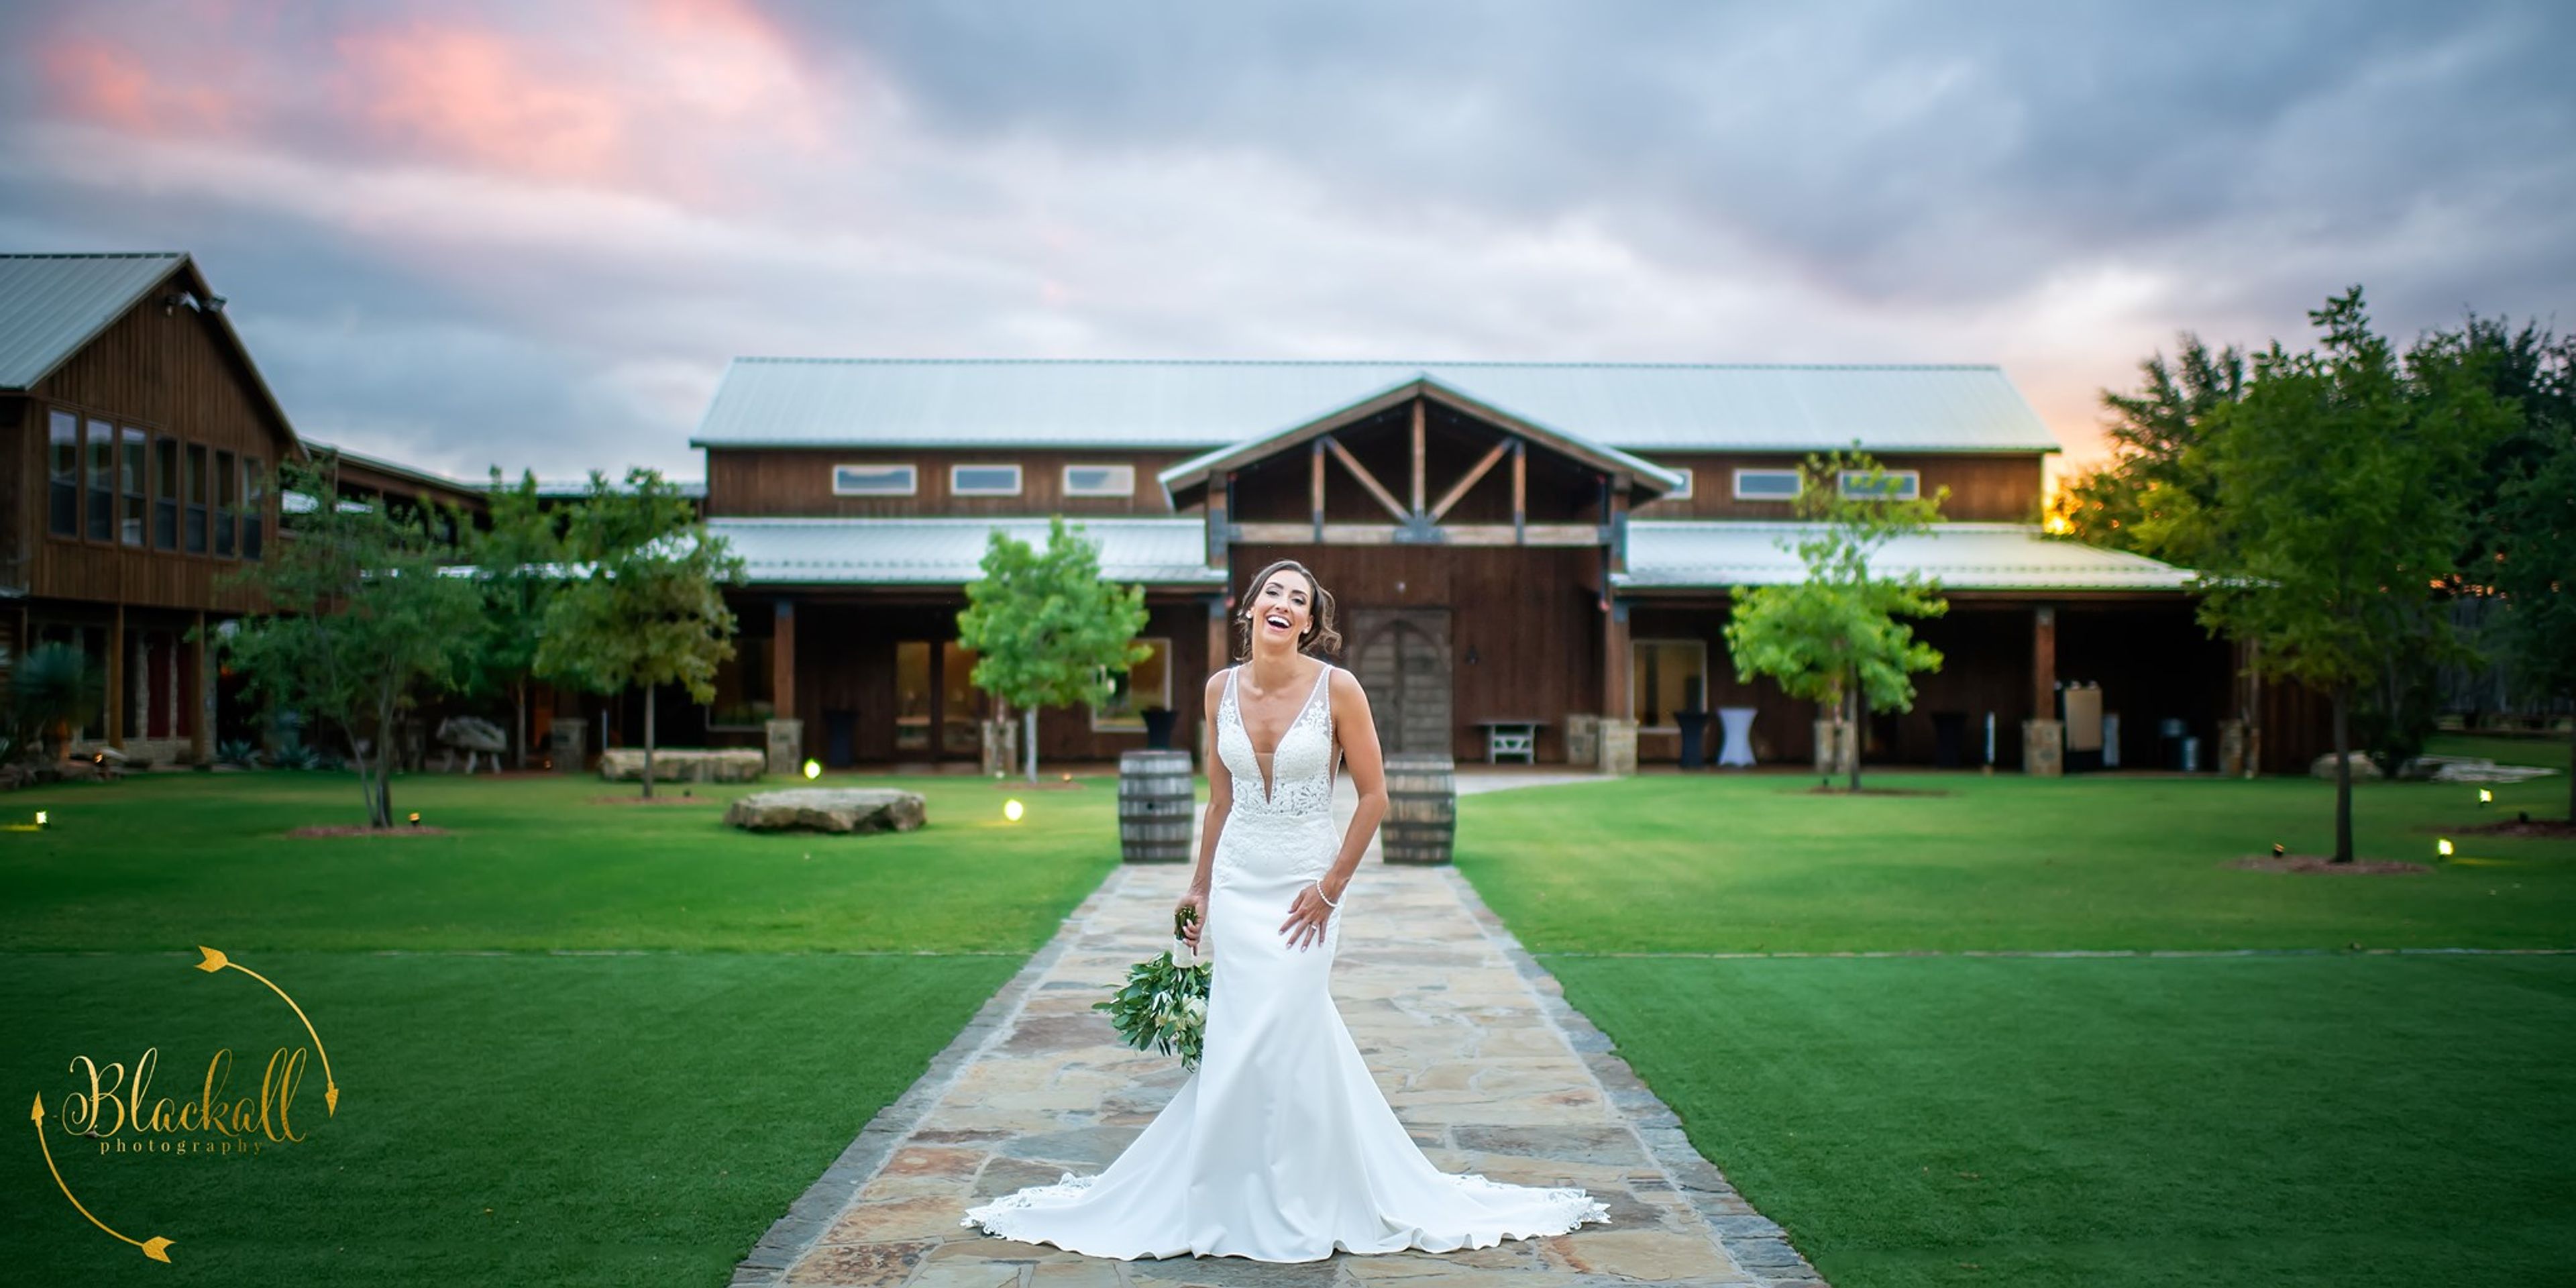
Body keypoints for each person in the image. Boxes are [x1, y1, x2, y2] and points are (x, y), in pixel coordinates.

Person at [960, 558, 1610, 1262]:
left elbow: (1374, 797)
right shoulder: (1218, 691)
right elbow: (1219, 800)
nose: (1284, 604)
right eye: (1274, 591)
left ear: (1309, 622)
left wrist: (1331, 887)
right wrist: (1200, 887)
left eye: (1298, 600)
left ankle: (1305, 1193)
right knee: (1243, 1042)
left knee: (1288, 1032)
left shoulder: (1340, 689)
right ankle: (1226, 1193)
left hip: (1307, 891)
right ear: (1249, 607)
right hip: (1240, 885)